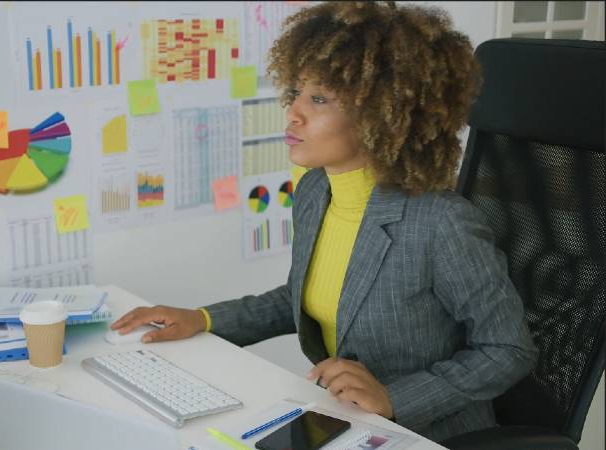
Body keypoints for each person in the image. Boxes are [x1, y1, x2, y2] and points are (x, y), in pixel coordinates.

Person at [111, 1, 538, 442]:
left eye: (318, 99)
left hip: (428, 434)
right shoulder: (317, 190)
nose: (293, 113)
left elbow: (508, 349)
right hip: (343, 418)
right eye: (296, 92)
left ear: (379, 114)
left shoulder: (441, 223)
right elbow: (302, 297)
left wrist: (395, 399)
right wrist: (203, 318)